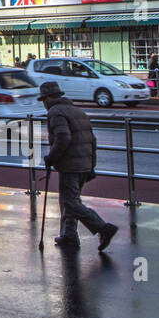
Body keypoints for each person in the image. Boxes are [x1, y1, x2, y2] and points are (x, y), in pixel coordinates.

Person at [40, 81, 118, 251]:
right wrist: (91, 165)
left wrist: (51, 158)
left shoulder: (55, 112)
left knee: (70, 202)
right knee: (70, 200)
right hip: (84, 162)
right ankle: (69, 235)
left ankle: (103, 228)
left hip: (70, 165)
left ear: (47, 98)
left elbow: (63, 138)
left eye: (43, 100)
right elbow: (92, 139)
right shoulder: (76, 111)